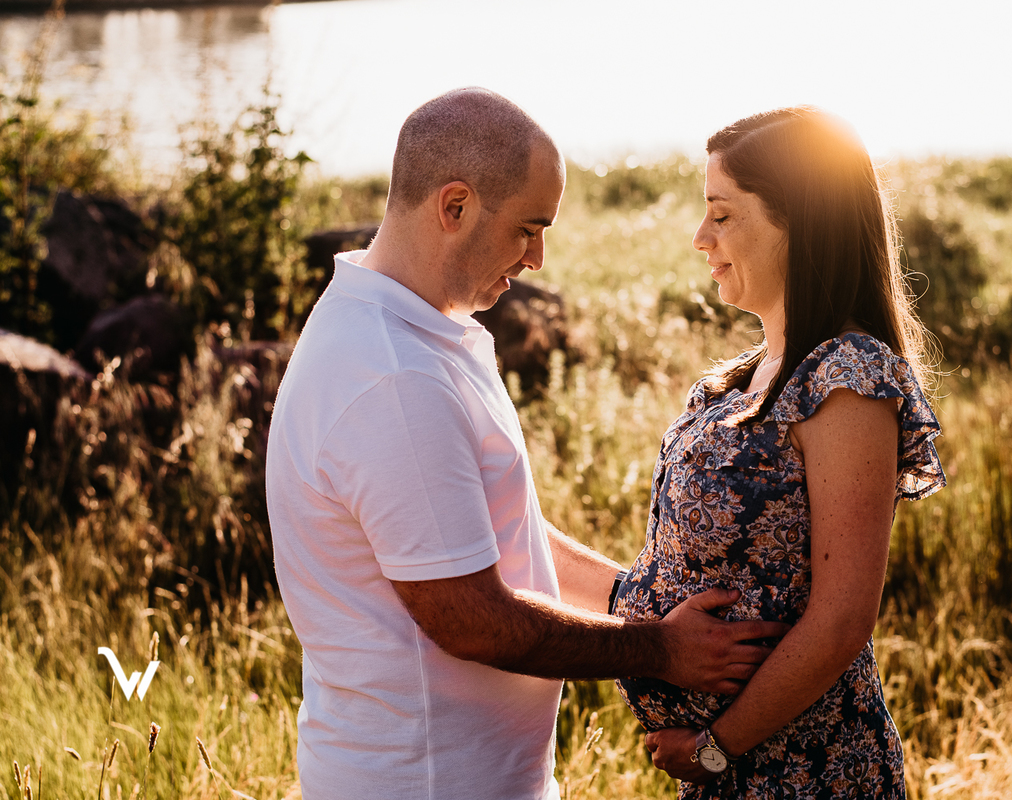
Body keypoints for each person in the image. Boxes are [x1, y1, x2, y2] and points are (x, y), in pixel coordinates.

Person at [265, 87, 788, 800]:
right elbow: (473, 620)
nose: (538, 258)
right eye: (528, 228)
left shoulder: (417, 330)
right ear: (454, 207)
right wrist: (661, 649)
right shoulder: (393, 376)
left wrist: (636, 597)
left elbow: (481, 526)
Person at [612, 106, 947, 798]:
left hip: (805, 772)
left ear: (800, 221)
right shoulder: (747, 373)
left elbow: (841, 620)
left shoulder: (847, 377)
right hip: (733, 772)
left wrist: (714, 748)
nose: (700, 237)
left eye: (724, 215)